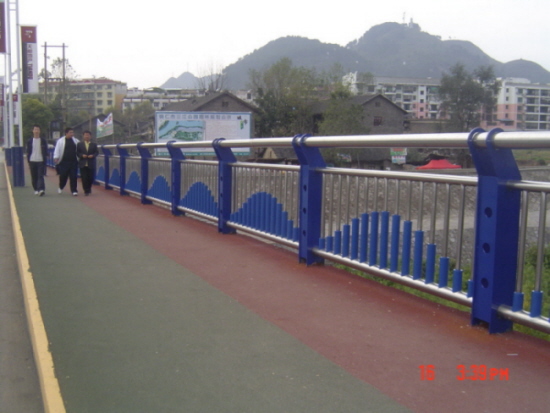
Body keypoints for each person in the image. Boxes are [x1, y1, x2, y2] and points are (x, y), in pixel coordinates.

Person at [53, 127, 80, 196]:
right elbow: (57, 149)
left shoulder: (76, 141)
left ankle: (74, 190)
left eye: (72, 132)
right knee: (63, 176)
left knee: (73, 176)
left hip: (74, 162)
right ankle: (61, 187)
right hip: (64, 162)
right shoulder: (60, 141)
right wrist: (56, 157)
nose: (72, 134)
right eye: (70, 132)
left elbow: (79, 149)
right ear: (66, 133)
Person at [25, 125, 48, 196]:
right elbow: (28, 151)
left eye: (38, 130)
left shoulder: (43, 141)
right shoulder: (29, 141)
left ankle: (41, 189)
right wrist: (28, 160)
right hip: (32, 160)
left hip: (40, 160)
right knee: (34, 176)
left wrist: (46, 156)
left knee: (40, 175)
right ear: (33, 131)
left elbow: (45, 150)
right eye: (35, 130)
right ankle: (36, 189)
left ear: (40, 131)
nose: (36, 131)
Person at [76, 130, 99, 196]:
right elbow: (77, 153)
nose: (87, 136)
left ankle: (89, 188)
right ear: (83, 136)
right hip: (83, 163)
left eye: (88, 135)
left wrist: (93, 155)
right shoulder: (79, 144)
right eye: (85, 135)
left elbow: (96, 152)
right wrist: (82, 155)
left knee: (91, 178)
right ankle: (86, 190)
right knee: (84, 178)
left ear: (90, 136)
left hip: (91, 163)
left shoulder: (94, 144)